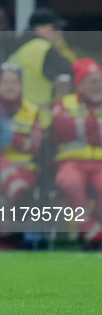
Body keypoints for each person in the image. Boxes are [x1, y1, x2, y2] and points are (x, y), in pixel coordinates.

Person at [52, 58, 102, 249]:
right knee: (70, 182)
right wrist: (94, 125)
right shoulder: (64, 103)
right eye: (93, 82)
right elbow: (63, 130)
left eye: (100, 81)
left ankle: (97, 226)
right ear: (79, 85)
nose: (98, 86)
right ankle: (90, 229)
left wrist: (81, 126)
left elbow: (77, 130)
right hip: (71, 163)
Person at [0, 64, 41, 202]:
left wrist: (14, 138)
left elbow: (35, 146)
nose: (10, 86)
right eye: (5, 82)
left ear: (21, 86)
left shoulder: (31, 111)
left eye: (15, 82)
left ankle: (18, 192)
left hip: (23, 169)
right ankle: (18, 191)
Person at [7, 8, 75, 129]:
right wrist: (61, 47)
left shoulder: (18, 49)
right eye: (55, 29)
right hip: (42, 122)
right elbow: (73, 73)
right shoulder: (43, 49)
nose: (60, 33)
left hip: (20, 119)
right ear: (40, 29)